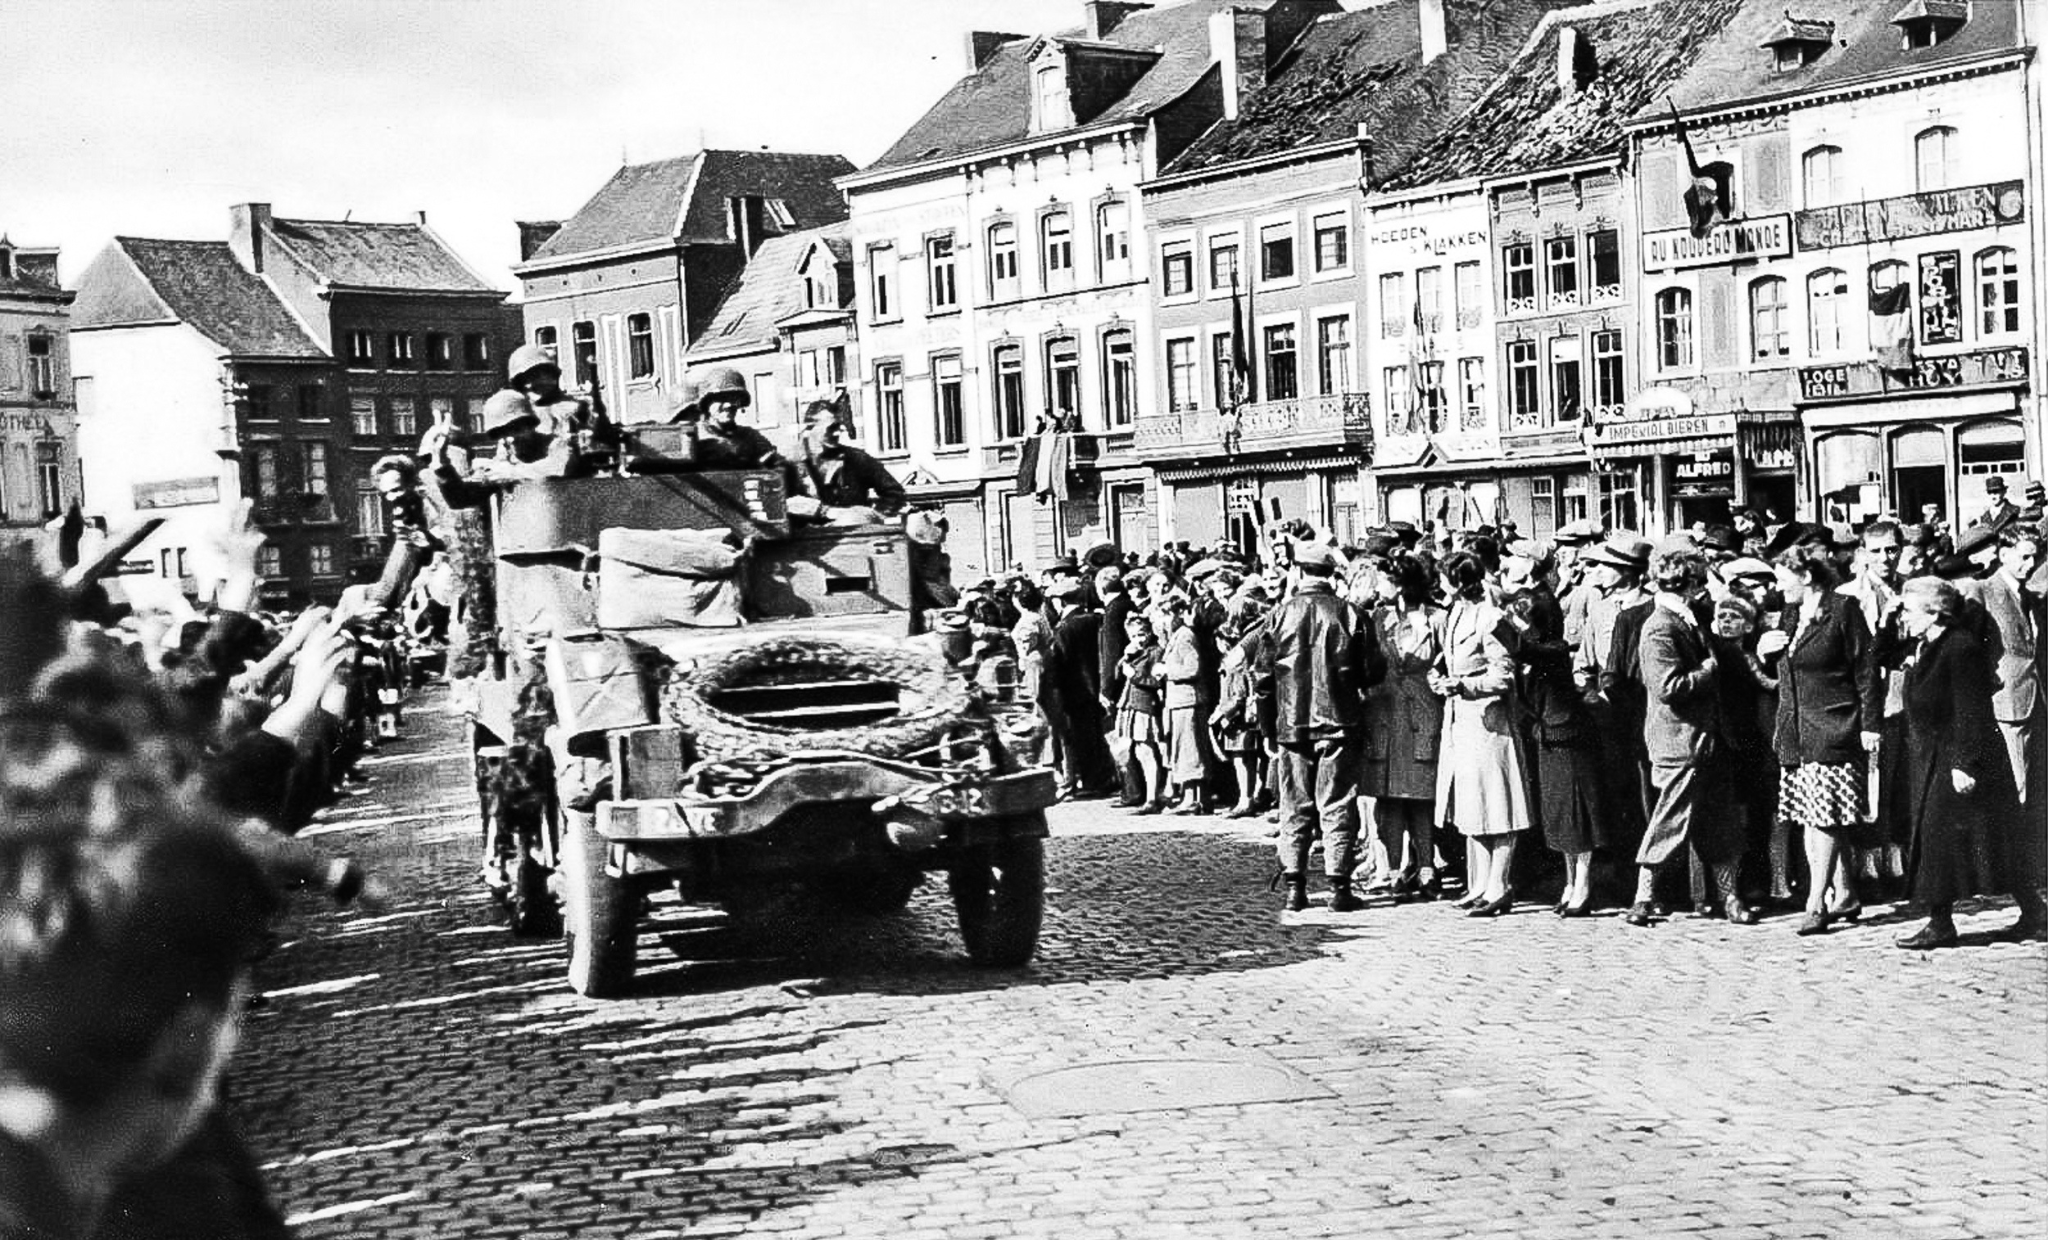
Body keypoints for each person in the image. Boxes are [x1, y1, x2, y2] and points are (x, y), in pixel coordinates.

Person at [1892, 577, 2038, 947]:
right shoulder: (1929, 644)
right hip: (1934, 754)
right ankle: (2032, 909)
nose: (1902, 616)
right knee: (1978, 837)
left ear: (1934, 612)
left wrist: (1963, 764)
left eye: (1909, 609)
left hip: (1962, 756)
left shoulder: (1960, 648)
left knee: (1965, 836)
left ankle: (1943, 922)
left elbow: (1972, 710)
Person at [1627, 539, 1756, 927]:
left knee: (1721, 823)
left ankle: (1729, 896)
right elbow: (1667, 686)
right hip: (1679, 743)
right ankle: (1643, 897)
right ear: (1686, 582)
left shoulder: (1688, 616)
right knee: (1671, 819)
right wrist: (1708, 672)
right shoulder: (1659, 627)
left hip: (1707, 738)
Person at [1254, 541, 1386, 912]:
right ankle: (1339, 887)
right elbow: (1373, 670)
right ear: (1330, 574)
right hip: (1340, 720)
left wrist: (1268, 729)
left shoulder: (1279, 614)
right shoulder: (1351, 614)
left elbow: (1262, 677)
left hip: (1292, 724)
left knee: (1294, 804)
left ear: (1298, 572)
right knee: (1337, 801)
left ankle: (1295, 887)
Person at [1761, 541, 1879, 936]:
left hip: (1833, 728)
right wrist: (1764, 650)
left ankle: (1816, 902)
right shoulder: (1790, 615)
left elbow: (1866, 669)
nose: (1779, 587)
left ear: (1806, 575)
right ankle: (1845, 892)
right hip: (1795, 731)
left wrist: (1869, 725)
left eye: (1782, 578)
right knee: (1817, 814)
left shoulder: (1842, 610)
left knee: (1821, 818)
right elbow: (1785, 667)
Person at [1504, 556, 1605, 916]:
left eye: (1525, 619)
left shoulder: (1555, 650)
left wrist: (1504, 621)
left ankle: (1584, 883)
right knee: (1559, 815)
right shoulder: (1534, 652)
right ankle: (1569, 881)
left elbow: (1525, 648)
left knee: (1577, 813)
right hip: (1547, 736)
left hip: (1566, 737)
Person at [1432, 551, 1529, 917]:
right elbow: (1449, 659)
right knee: (1470, 806)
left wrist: (1463, 685)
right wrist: (1439, 678)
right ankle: (1479, 884)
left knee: (1498, 806)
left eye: (1444, 576)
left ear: (1458, 581)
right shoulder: (1457, 613)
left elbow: (1504, 675)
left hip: (1490, 726)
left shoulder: (1492, 618)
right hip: (1461, 724)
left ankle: (1499, 885)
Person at [1361, 554, 1447, 902]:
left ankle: (1427, 868)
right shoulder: (1377, 619)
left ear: (1400, 584)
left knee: (1421, 797)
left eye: (1383, 579)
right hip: (1383, 711)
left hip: (1421, 712)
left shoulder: (1437, 619)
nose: (1378, 586)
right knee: (1388, 799)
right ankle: (1394, 870)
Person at [790, 400, 907, 517]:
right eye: (831, 428)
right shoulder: (791, 465)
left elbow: (894, 492)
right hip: (808, 534)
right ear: (810, 428)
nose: (837, 433)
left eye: (838, 427)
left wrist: (876, 516)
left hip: (853, 531)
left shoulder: (856, 459)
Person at [1115, 611, 1166, 812]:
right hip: (1129, 705)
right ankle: (1140, 793)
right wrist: (1126, 657)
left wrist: (1135, 675)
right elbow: (1117, 674)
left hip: (1144, 706)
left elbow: (1156, 681)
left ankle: (1152, 798)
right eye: (1135, 635)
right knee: (1133, 751)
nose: (1139, 639)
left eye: (1142, 634)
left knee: (1146, 751)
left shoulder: (1155, 652)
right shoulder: (1133, 651)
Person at [687, 367, 784, 470]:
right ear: (707, 403)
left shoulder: (751, 437)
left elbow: (779, 467)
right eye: (722, 398)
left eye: (734, 399)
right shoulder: (692, 436)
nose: (728, 405)